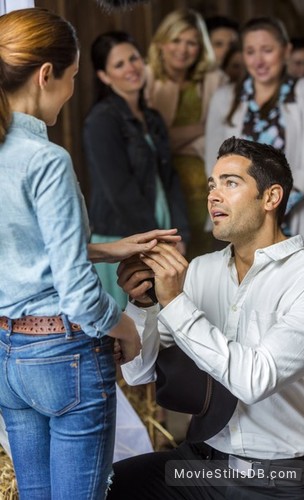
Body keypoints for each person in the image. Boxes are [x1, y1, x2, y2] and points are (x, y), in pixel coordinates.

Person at [0, 8, 179, 499]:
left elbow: (22, 249)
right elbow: (79, 297)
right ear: (45, 75)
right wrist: (126, 330)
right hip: (63, 355)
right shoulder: (46, 160)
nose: (74, 89)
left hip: (9, 358)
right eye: (74, 76)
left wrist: (109, 249)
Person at [107, 136, 304, 499]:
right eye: (212, 185)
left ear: (271, 198)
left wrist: (175, 301)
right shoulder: (199, 270)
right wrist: (145, 303)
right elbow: (139, 372)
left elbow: (255, 380)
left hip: (274, 481)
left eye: (230, 183)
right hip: (194, 467)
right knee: (100, 487)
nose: (213, 195)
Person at [205, 16, 304, 264]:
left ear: (286, 51)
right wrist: (242, 210)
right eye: (251, 51)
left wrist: (274, 206)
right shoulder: (224, 98)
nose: (259, 60)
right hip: (238, 221)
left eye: (267, 50)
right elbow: (213, 163)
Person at [83, 31, 189, 310]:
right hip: (122, 237)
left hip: (159, 229)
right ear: (104, 76)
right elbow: (120, 191)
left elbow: (170, 180)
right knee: (127, 327)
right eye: (119, 64)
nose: (130, 67)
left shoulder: (152, 118)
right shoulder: (101, 121)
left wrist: (179, 235)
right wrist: (154, 242)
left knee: (158, 325)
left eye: (133, 58)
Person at [145, 8, 228, 260]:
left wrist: (171, 137)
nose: (183, 49)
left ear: (201, 47)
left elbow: (223, 136)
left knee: (211, 259)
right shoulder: (145, 77)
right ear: (161, 43)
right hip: (162, 185)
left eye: (191, 42)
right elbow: (150, 142)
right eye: (176, 40)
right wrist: (201, 128)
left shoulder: (216, 79)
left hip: (207, 183)